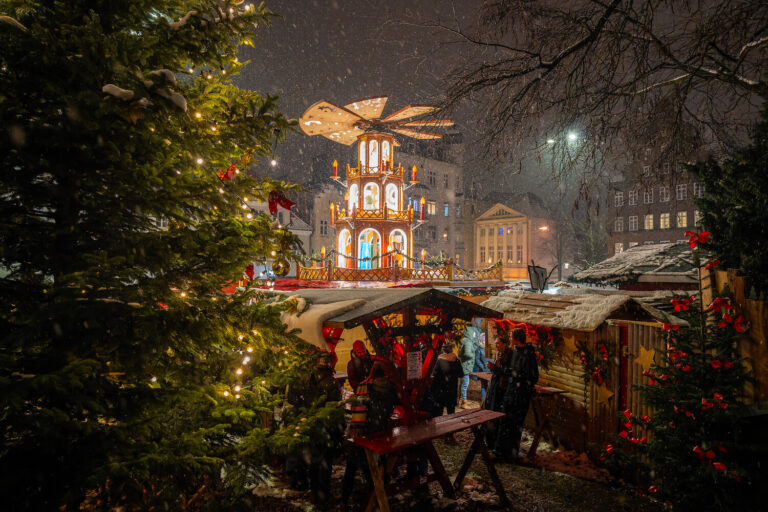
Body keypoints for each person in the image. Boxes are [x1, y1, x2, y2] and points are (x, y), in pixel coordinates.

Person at [342, 362, 399, 510]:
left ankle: (348, 498)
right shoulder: (392, 388)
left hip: (365, 435)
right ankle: (373, 494)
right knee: (373, 466)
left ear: (372, 373)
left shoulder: (365, 388)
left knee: (353, 465)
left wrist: (356, 430)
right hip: (380, 433)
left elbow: (358, 413)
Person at [495, 328, 539, 462]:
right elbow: (511, 371)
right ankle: (501, 451)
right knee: (505, 421)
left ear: (517, 338)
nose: (510, 338)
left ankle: (512, 453)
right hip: (511, 392)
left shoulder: (529, 355)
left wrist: (520, 380)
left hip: (520, 395)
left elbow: (532, 376)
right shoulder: (515, 351)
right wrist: (500, 369)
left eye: (511, 336)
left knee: (515, 424)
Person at [429, 342, 463, 417]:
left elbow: (434, 374)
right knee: (451, 412)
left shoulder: (439, 360)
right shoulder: (456, 360)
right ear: (452, 349)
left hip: (441, 390)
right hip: (452, 390)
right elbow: (461, 374)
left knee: (439, 412)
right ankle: (452, 427)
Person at [458, 319, 480, 408]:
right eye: (474, 333)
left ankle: (462, 400)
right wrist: (472, 355)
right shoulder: (467, 341)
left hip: (464, 365)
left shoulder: (465, 340)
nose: (475, 334)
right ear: (471, 333)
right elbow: (467, 353)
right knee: (465, 384)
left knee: (463, 383)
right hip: (466, 366)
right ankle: (464, 402)